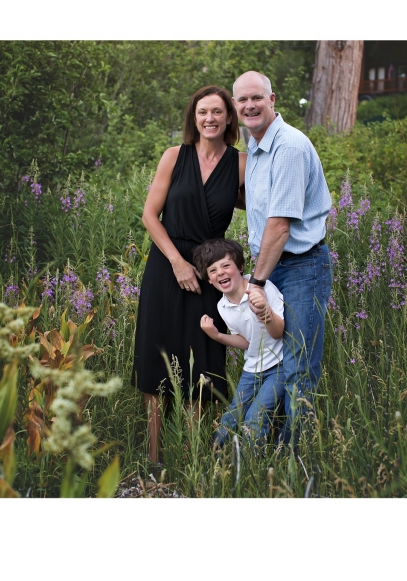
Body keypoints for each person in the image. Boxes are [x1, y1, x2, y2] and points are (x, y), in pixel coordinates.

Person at [132, 85, 246, 464]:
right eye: (202, 112)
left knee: (204, 361)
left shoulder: (241, 164)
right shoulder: (173, 156)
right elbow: (151, 215)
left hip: (211, 272)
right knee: (157, 357)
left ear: (229, 117)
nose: (209, 119)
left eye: (217, 112)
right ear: (193, 118)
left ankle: (191, 458)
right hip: (167, 267)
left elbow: (264, 206)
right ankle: (154, 457)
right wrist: (178, 263)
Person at [231, 71, 332, 448]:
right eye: (242, 100)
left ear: (273, 99)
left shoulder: (288, 146)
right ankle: (270, 446)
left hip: (301, 267)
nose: (250, 105)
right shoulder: (256, 146)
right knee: (273, 362)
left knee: (298, 365)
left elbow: (279, 225)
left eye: (257, 98)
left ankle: (298, 458)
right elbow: (257, 203)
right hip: (273, 266)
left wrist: (254, 283)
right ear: (236, 106)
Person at [192, 238, 284, 449]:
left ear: (240, 267)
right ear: (208, 279)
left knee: (254, 419)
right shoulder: (223, 307)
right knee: (231, 417)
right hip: (252, 369)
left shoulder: (262, 289)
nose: (221, 272)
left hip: (279, 366)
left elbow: (278, 333)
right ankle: (214, 464)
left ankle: (250, 469)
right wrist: (216, 336)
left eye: (226, 265)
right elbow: (246, 341)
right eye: (213, 270)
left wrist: (265, 312)